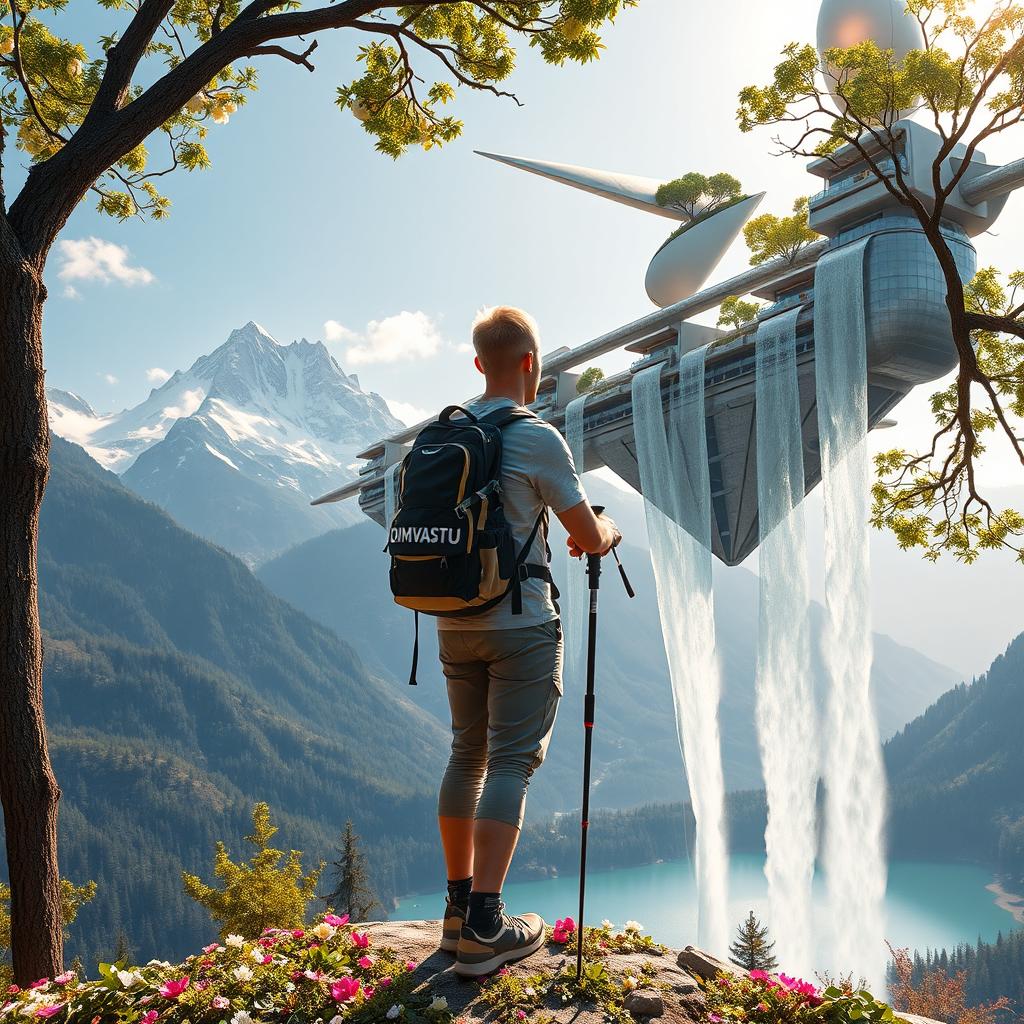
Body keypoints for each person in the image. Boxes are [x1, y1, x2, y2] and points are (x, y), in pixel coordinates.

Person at [436, 305, 621, 977]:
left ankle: (457, 913)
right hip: (520, 626)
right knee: (511, 763)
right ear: (531, 366)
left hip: (452, 622)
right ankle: (487, 926)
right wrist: (606, 531)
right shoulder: (535, 436)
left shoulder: (443, 435)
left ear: (479, 364)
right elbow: (587, 534)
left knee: (467, 755)